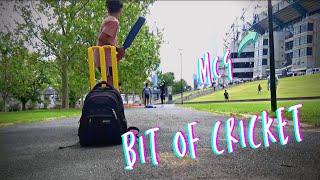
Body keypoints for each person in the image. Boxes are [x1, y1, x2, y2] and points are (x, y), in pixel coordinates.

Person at [94, 0, 125, 87]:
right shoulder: (113, 21)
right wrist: (117, 49)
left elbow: (107, 39)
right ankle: (108, 99)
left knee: (111, 82)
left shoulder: (108, 20)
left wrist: (117, 52)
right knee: (110, 83)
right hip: (105, 58)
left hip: (104, 57)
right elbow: (102, 38)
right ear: (120, 10)